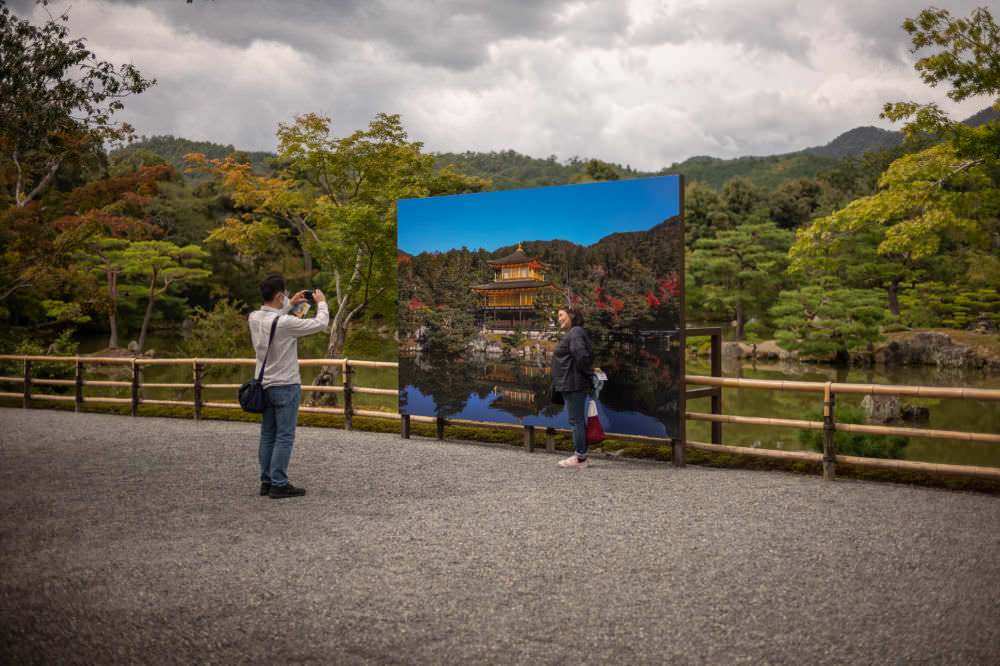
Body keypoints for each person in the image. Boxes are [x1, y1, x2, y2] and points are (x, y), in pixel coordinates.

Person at [249, 275, 329, 498]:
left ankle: (266, 481)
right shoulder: (285, 323)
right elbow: (320, 324)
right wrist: (321, 302)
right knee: (285, 435)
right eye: (283, 294)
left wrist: (289, 304)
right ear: (278, 295)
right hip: (285, 384)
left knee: (268, 434)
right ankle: (279, 483)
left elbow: (273, 319)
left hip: (264, 384)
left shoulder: (254, 317)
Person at [551, 304, 597, 468]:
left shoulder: (576, 332)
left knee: (576, 420)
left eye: (561, 315)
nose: (559, 319)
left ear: (572, 316)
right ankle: (581, 455)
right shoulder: (574, 333)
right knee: (576, 420)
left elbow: (582, 356)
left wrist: (589, 375)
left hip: (574, 384)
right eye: (558, 316)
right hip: (571, 383)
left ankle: (580, 457)